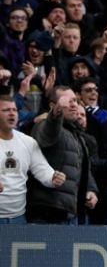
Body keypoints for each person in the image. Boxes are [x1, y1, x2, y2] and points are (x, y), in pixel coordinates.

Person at [27, 86, 99, 225]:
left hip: (69, 213)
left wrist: (91, 189)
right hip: (46, 213)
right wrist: (55, 114)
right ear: (53, 106)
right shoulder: (44, 125)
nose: (73, 104)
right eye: (66, 101)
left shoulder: (76, 134)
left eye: (74, 100)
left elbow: (81, 167)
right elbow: (48, 133)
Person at [0, 95, 66, 224]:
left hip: (18, 217)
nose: (12, 113)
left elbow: (43, 170)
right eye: (6, 110)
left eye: (14, 110)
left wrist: (53, 177)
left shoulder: (28, 142)